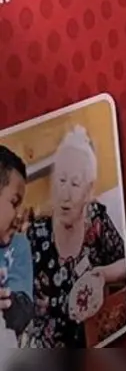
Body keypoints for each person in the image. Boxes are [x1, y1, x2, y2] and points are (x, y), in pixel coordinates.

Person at [23, 126, 126, 347]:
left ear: (89, 190)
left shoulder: (96, 220)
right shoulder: (36, 234)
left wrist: (103, 275)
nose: (66, 194)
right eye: (61, 181)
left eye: (75, 184)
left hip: (96, 341)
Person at [0, 146, 34, 347]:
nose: (20, 214)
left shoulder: (19, 246)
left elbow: (22, 315)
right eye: (14, 203)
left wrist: (8, 303)